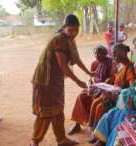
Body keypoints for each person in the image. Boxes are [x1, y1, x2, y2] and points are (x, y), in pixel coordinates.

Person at [31, 14, 93, 146]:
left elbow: (76, 59)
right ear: (64, 28)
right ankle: (35, 141)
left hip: (55, 80)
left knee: (58, 110)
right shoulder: (59, 40)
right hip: (45, 81)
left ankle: (61, 139)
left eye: (76, 30)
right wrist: (78, 81)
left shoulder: (69, 39)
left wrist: (88, 72)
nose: (74, 33)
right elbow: (63, 65)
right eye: (71, 30)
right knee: (46, 112)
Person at [93, 57, 136, 146]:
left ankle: (108, 142)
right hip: (128, 108)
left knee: (119, 123)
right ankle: (102, 140)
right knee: (110, 114)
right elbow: (130, 90)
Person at [88, 44, 136, 141]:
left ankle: (99, 136)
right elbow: (115, 78)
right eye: (113, 54)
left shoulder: (130, 68)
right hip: (113, 92)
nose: (113, 56)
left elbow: (132, 88)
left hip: (121, 96)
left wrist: (118, 91)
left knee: (100, 107)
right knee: (95, 103)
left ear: (123, 54)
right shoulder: (121, 66)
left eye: (115, 54)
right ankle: (93, 129)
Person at [68, 45, 116, 135]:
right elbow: (91, 77)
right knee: (81, 96)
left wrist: (104, 84)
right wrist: (90, 84)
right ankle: (77, 124)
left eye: (100, 53)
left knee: (94, 101)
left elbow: (112, 77)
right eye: (96, 53)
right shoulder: (94, 63)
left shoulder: (110, 63)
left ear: (105, 54)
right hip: (94, 87)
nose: (97, 55)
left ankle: (94, 126)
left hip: (105, 88)